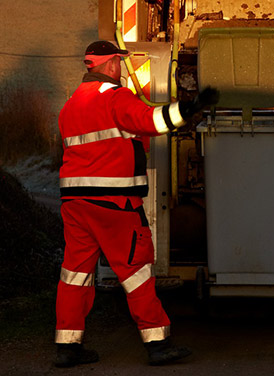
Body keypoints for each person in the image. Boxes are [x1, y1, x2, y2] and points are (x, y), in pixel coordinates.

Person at [54, 40, 219, 368]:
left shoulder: (70, 105)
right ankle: (157, 342)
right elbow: (151, 121)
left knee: (75, 274)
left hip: (74, 202)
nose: (121, 68)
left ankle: (67, 347)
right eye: (119, 62)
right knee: (136, 270)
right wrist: (190, 108)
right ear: (112, 64)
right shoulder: (115, 98)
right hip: (113, 203)